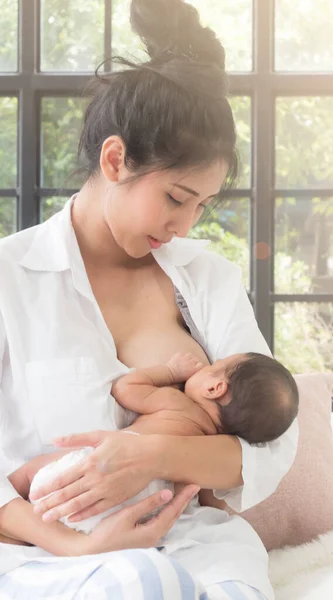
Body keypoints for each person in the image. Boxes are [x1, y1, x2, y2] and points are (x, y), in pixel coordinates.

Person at [0, 0, 298, 597]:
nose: (185, 225)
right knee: (136, 583)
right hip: (53, 552)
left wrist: (146, 456)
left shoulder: (206, 278)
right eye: (175, 198)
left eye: (200, 207)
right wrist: (77, 545)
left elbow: (267, 446)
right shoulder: (10, 278)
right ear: (115, 159)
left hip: (202, 544)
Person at [17, 350, 299, 535]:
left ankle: (13, 504)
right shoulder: (209, 451)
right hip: (138, 510)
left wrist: (170, 371)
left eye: (214, 366)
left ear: (214, 388)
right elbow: (207, 502)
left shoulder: (177, 403)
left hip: (103, 469)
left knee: (32, 473)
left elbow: (125, 388)